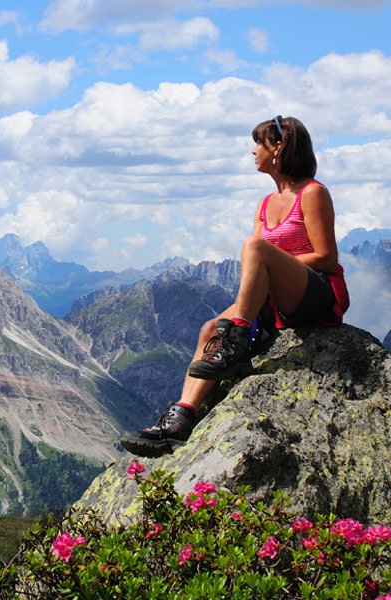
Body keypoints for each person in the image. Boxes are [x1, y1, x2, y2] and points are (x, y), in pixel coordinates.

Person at [120, 115, 350, 458]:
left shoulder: (313, 193)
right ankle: (181, 419)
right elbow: (262, 265)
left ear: (279, 147)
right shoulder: (264, 204)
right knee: (210, 329)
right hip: (280, 298)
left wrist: (277, 266)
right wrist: (269, 272)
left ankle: (237, 342)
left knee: (255, 248)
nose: (253, 150)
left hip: (317, 293)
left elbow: (327, 257)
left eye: (259, 142)